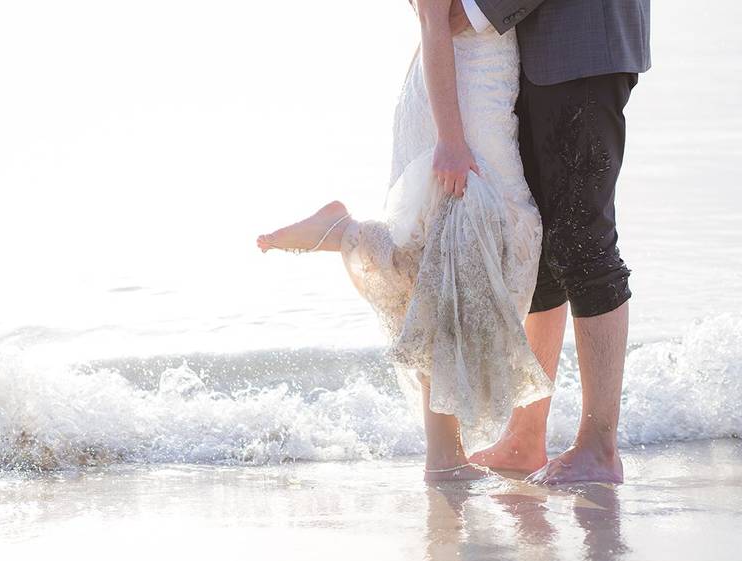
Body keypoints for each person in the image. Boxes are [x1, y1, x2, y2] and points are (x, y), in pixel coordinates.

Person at [257, 0, 555, 481]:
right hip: (459, 100)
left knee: (458, 259)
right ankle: (443, 456)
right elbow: (434, 21)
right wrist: (451, 139)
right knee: (471, 253)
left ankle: (345, 232)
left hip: (476, 87)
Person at [458, 0, 650, 484]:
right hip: (534, 51)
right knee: (539, 253)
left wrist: (477, 11)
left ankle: (599, 448)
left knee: (584, 246)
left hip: (582, 48)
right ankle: (526, 437)